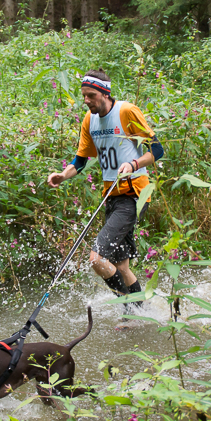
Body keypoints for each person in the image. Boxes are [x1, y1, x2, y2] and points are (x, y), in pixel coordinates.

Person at [47, 68, 164, 304]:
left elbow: (157, 150)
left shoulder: (127, 112)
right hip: (111, 196)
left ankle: (127, 308)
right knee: (121, 265)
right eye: (84, 96)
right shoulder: (89, 120)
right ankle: (141, 311)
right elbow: (80, 160)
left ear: (105, 93)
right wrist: (63, 175)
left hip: (134, 194)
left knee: (96, 258)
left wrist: (133, 164)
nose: (87, 101)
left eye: (91, 95)